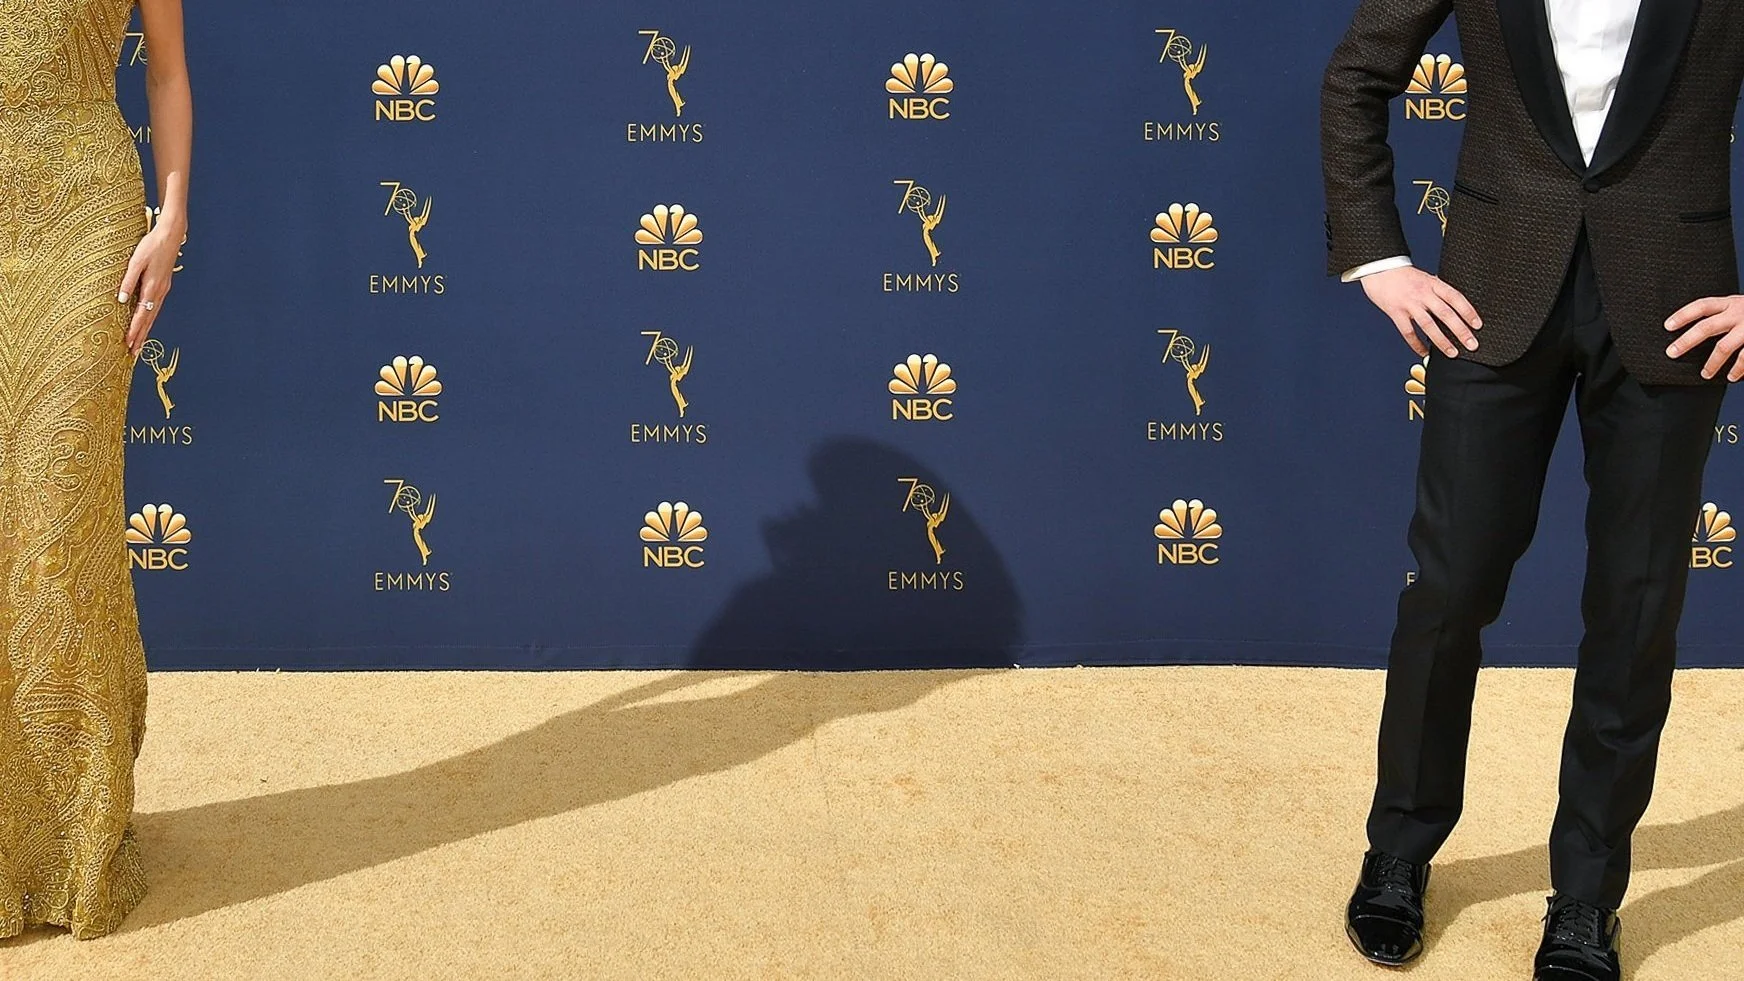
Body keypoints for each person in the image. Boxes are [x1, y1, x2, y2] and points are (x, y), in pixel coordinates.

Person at [1322, 2, 1744, 978]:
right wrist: (1378, 259)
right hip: (1491, 297)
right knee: (1447, 590)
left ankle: (1586, 903)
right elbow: (1357, 73)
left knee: (1633, 616)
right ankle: (1398, 851)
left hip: (1673, 308)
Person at [0, 0, 191, 939]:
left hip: (85, 218)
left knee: (56, 511)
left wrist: (174, 218)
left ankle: (79, 836)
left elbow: (165, 68)